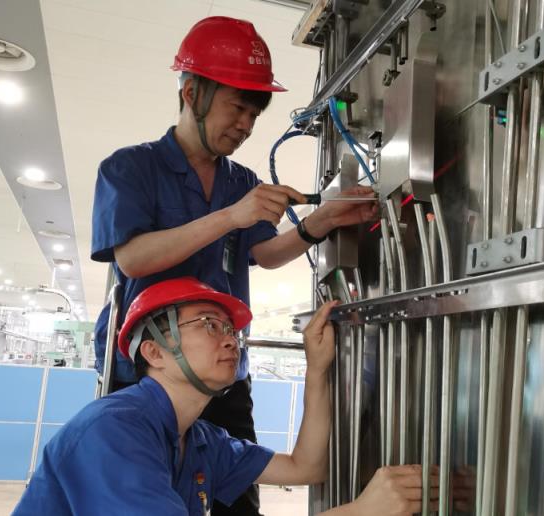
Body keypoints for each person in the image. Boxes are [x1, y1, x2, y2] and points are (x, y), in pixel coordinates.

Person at [90, 16, 377, 515]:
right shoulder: (129, 168)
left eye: (254, 112)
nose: (245, 125)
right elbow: (133, 257)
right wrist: (231, 215)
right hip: (151, 370)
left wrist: (321, 222)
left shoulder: (239, 178)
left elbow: (263, 255)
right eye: (237, 107)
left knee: (236, 500)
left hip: (222, 373)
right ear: (191, 92)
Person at [13, 278, 436, 515]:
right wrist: (362, 512)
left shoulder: (201, 440)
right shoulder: (112, 431)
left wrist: (318, 369)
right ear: (154, 351)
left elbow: (306, 466)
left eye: (232, 330)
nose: (231, 340)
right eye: (209, 325)